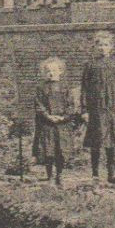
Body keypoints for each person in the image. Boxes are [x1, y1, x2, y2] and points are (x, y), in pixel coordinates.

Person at [80, 29, 115, 184]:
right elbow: (84, 88)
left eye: (106, 45)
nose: (102, 48)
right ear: (95, 47)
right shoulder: (90, 65)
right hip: (96, 109)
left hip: (112, 108)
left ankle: (111, 174)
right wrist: (84, 110)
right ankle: (95, 175)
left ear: (111, 47)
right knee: (97, 141)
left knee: (111, 141)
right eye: (99, 45)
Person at [30, 57, 76, 186]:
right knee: (48, 151)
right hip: (47, 124)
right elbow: (38, 105)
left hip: (62, 125)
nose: (51, 73)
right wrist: (48, 116)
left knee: (61, 150)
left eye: (54, 70)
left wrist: (64, 117)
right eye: (48, 71)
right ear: (44, 73)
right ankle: (49, 175)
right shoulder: (40, 88)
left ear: (60, 71)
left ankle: (60, 175)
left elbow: (71, 105)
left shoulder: (65, 87)